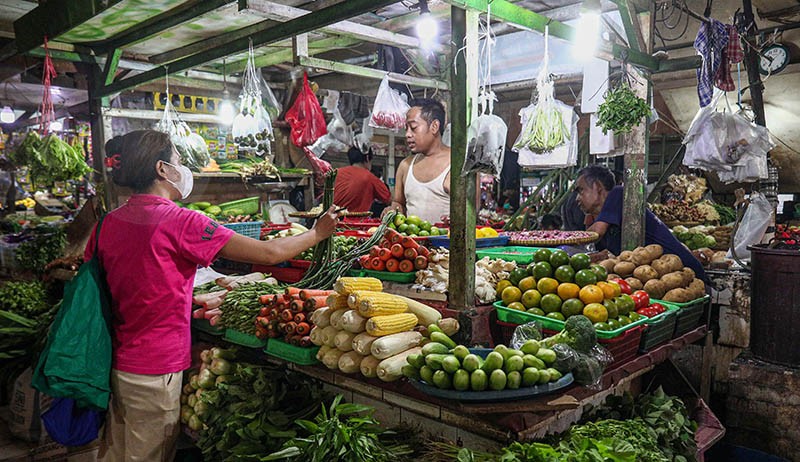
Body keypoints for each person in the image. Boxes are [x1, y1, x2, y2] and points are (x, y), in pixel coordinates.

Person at [88, 130, 338, 461]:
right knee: (148, 453)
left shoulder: (107, 223)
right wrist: (317, 233)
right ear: (162, 169)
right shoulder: (180, 221)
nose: (182, 168)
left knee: (117, 449)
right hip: (156, 366)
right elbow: (269, 253)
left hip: (116, 360)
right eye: (178, 160)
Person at [575, 165, 707, 280]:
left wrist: (566, 239)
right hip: (660, 276)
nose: (577, 198)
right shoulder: (606, 215)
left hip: (686, 273)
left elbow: (597, 232)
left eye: (580, 190)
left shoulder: (618, 194)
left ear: (597, 186)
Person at [383, 98, 451, 223]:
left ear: (434, 126)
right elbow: (399, 203)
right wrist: (392, 210)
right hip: (411, 236)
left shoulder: (457, 165)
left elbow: (470, 211)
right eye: (406, 129)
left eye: (413, 128)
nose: (407, 134)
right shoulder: (405, 166)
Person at [333, 147, 391, 215]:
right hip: (356, 221)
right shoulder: (369, 177)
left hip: (330, 219)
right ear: (367, 158)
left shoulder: (336, 173)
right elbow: (390, 200)